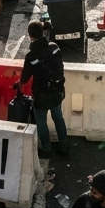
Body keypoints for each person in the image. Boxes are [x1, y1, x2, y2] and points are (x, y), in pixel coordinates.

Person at [20, 20, 69, 157]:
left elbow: (24, 78)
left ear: (30, 36)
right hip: (57, 90)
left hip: (42, 95)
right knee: (58, 117)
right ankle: (64, 145)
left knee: (41, 121)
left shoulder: (31, 56)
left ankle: (46, 148)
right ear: (43, 32)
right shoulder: (54, 47)